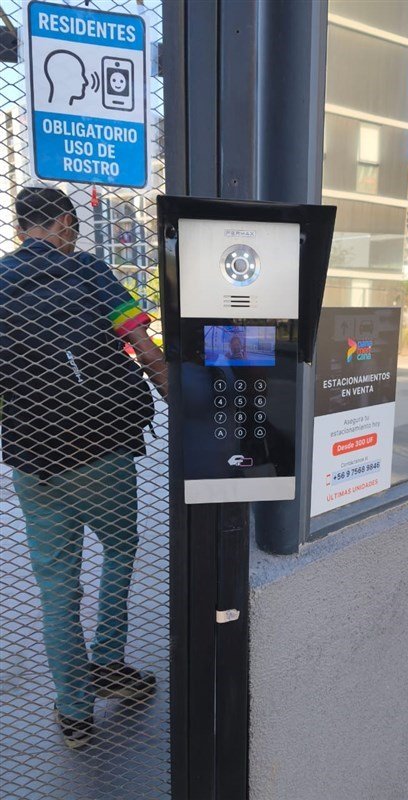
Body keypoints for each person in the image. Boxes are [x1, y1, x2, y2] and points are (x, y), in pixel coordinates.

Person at [0, 187, 167, 749]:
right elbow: (141, 344)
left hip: (35, 462)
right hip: (103, 451)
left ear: (21, 229)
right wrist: (181, 400)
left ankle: (74, 713)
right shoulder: (90, 272)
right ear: (66, 223)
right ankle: (110, 663)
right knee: (120, 548)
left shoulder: (0, 282)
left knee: (56, 588)